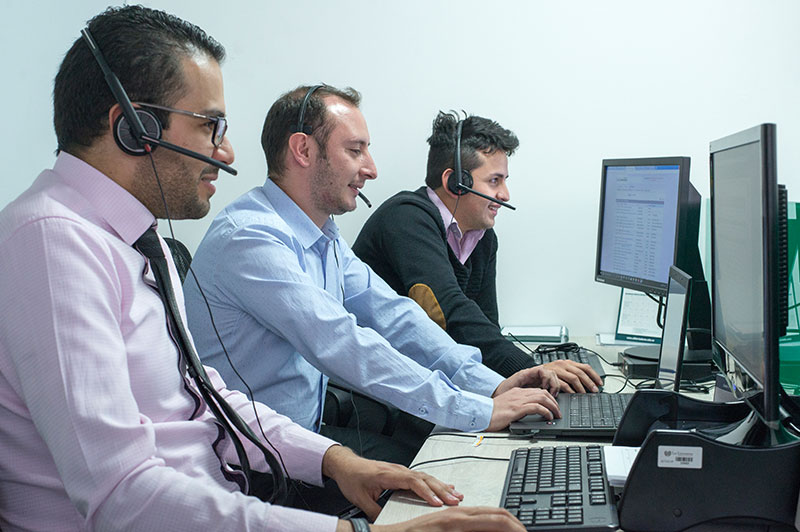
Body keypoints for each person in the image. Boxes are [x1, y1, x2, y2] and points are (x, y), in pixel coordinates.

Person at [0, 7, 527, 531]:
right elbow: (123, 495)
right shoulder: (54, 242)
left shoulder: (132, 238)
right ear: (135, 128)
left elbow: (206, 397)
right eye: (211, 126)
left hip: (223, 488)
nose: (228, 152)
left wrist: (335, 461)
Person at [184, 85, 562, 467]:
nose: (371, 169)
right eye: (355, 150)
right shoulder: (251, 238)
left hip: (301, 436)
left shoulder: (325, 237)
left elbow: (396, 317)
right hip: (252, 461)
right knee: (445, 474)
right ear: (303, 150)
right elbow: (344, 343)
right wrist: (476, 409)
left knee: (446, 460)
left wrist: (492, 385)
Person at [352, 112, 603, 393]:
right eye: (495, 181)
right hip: (375, 392)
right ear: (455, 182)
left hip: (427, 384)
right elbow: (447, 312)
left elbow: (485, 328)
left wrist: (527, 378)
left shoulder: (482, 238)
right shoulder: (406, 219)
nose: (505, 194)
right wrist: (531, 369)